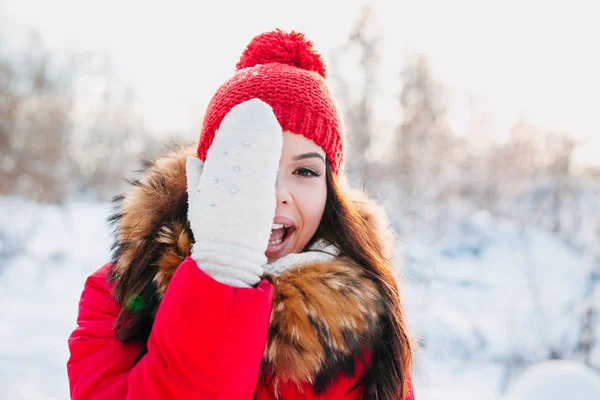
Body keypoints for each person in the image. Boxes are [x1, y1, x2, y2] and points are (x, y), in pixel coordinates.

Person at [67, 29, 415, 400]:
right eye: (247, 164)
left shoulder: (366, 322)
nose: (274, 194)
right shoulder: (120, 296)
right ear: (202, 177)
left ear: (330, 194)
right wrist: (221, 272)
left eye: (305, 171)